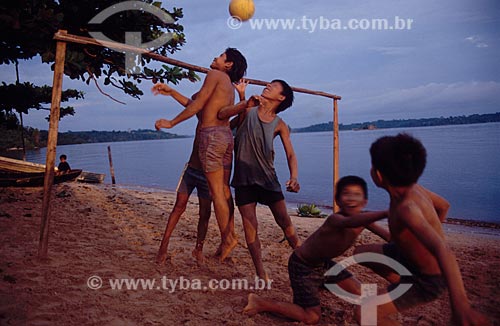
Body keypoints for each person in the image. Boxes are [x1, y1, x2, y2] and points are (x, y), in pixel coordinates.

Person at [353, 133, 489, 325]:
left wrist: (461, 307)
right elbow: (444, 206)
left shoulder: (407, 208)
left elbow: (443, 250)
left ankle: (403, 289)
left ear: (378, 175)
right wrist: (417, 240)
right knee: (361, 253)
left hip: (428, 279)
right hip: (404, 257)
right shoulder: (413, 189)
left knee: (364, 312)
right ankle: (400, 284)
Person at [242, 175, 390, 324]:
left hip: (323, 265)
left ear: (365, 202)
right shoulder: (336, 220)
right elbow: (350, 222)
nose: (351, 198)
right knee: (312, 317)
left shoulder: (365, 220)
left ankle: (318, 288)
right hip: (302, 267)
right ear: (338, 201)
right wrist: (385, 213)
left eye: (357, 194)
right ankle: (261, 302)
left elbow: (389, 236)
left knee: (363, 292)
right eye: (346, 194)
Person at [153, 48, 247, 261]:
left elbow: (196, 103)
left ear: (228, 64)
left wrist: (171, 122)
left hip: (211, 138)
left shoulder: (214, 75)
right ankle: (224, 238)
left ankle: (228, 238)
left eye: (222, 56)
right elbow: (194, 103)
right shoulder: (226, 88)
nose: (215, 56)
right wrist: (171, 92)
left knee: (215, 194)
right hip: (224, 139)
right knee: (222, 191)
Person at [217, 79, 300, 280]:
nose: (268, 85)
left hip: (268, 180)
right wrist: (243, 97)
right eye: (268, 84)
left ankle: (306, 260)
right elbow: (229, 122)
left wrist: (294, 177)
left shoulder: (280, 124)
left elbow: (290, 154)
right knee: (250, 227)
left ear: (281, 97)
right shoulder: (250, 109)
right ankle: (261, 274)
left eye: (274, 85)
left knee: (285, 222)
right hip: (243, 180)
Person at [154, 85, 214, 265]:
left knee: (205, 213)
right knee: (178, 207)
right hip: (191, 171)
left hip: (209, 175)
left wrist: (243, 95)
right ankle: (163, 246)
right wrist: (171, 92)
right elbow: (188, 103)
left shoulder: (219, 119)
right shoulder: (200, 114)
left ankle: (199, 249)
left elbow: (236, 113)